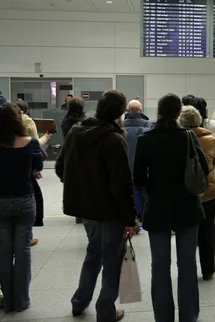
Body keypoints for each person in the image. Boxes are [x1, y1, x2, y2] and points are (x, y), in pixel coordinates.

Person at [55, 90, 136, 321]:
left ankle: (79, 302)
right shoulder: (114, 139)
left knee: (93, 253)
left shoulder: (75, 132)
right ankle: (106, 311)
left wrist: (83, 187)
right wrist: (130, 219)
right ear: (120, 113)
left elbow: (62, 168)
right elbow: (121, 185)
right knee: (111, 261)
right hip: (110, 211)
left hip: (86, 209)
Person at [133, 93, 209, 322]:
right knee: (187, 265)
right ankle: (189, 316)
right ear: (178, 113)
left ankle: (163, 317)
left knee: (160, 266)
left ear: (158, 111)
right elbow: (204, 168)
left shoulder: (146, 139)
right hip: (187, 208)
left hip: (157, 210)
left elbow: (138, 178)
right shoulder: (188, 137)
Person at [0, 103, 43, 313]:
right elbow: (38, 167)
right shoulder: (31, 143)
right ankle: (21, 301)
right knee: (23, 252)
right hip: (25, 200)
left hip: (0, 202)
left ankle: (7, 302)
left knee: (4, 252)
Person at [178, 106, 215, 280]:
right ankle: (208, 269)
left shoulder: (178, 139)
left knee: (186, 231)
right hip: (207, 189)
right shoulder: (210, 139)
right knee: (207, 230)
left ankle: (187, 268)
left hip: (185, 192)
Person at [189, 96, 215, 245]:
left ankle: (195, 236)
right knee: (212, 204)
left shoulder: (187, 127)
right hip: (210, 168)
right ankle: (214, 235)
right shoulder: (210, 124)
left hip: (191, 171)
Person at [15, 101, 51, 246]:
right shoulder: (28, 125)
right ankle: (27, 237)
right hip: (24, 183)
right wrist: (46, 137)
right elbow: (37, 158)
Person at [123, 100, 152, 223]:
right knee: (143, 191)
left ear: (128, 110)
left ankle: (130, 215)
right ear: (140, 110)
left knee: (127, 191)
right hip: (143, 166)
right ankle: (143, 215)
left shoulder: (120, 126)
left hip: (125, 166)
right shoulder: (148, 125)